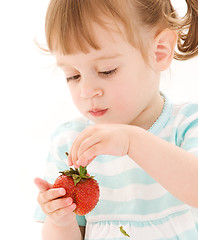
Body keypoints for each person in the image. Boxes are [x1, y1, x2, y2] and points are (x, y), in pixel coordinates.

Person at [33, 0, 198, 239]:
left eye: (106, 70)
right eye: (73, 75)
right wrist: (59, 221)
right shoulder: (72, 143)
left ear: (159, 51)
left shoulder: (186, 124)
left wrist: (132, 142)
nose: (87, 90)